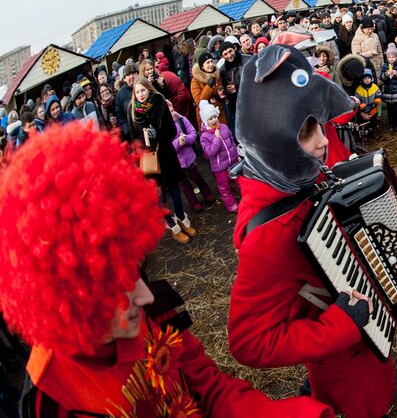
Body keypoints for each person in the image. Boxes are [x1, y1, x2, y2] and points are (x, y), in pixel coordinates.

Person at [0, 124, 333, 417]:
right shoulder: (53, 399)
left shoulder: (151, 311)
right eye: (114, 288)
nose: (143, 294)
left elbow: (211, 392)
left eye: (134, 269)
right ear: (67, 302)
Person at [228, 45, 397, 418]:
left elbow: (338, 208)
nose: (322, 141)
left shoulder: (297, 167)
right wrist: (338, 326)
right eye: (307, 131)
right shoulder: (267, 233)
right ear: (273, 139)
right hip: (340, 357)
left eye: (320, 123)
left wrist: (393, 200)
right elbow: (247, 343)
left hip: (363, 334)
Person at [128, 79, 197, 244]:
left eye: (143, 91)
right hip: (150, 158)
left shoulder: (160, 102)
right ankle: (173, 226)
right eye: (137, 92)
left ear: (148, 90)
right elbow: (133, 138)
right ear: (134, 94)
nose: (141, 95)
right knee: (159, 196)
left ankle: (181, 216)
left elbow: (172, 130)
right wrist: (146, 140)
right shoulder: (133, 111)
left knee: (175, 190)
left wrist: (156, 132)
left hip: (166, 154)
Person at [168, 99, 215, 212]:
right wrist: (178, 143)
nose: (172, 113)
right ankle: (193, 202)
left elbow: (193, 133)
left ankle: (207, 192)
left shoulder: (181, 120)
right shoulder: (164, 128)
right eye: (168, 112)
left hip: (189, 158)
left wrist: (187, 139)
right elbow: (166, 148)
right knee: (184, 184)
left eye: (172, 110)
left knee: (196, 177)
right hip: (177, 163)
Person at [199, 100, 240, 213]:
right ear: (205, 121)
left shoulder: (224, 128)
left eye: (214, 117)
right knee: (224, 187)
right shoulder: (204, 137)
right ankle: (231, 205)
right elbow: (210, 153)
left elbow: (232, 142)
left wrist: (237, 155)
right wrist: (216, 138)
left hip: (233, 161)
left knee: (239, 181)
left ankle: (247, 199)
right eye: (210, 118)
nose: (214, 120)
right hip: (220, 167)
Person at [191, 52, 227, 128]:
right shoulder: (196, 80)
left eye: (211, 61)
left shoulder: (217, 75)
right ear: (202, 66)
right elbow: (199, 101)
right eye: (207, 63)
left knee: (225, 134)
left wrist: (223, 94)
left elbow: (221, 97)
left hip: (218, 112)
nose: (211, 64)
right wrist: (208, 86)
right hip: (206, 116)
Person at [380, 44, 397, 132]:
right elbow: (382, 78)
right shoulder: (385, 66)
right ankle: (391, 124)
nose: (391, 59)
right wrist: (386, 74)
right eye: (389, 57)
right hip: (388, 92)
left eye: (393, 57)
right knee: (389, 109)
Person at [353, 69, 383, 139]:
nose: (367, 80)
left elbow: (379, 93)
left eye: (369, 78)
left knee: (373, 120)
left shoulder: (374, 87)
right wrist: (361, 104)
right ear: (362, 79)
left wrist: (377, 99)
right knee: (363, 122)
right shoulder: (359, 89)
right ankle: (364, 133)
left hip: (373, 107)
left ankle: (374, 131)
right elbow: (357, 98)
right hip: (363, 108)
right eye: (365, 78)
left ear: (371, 79)